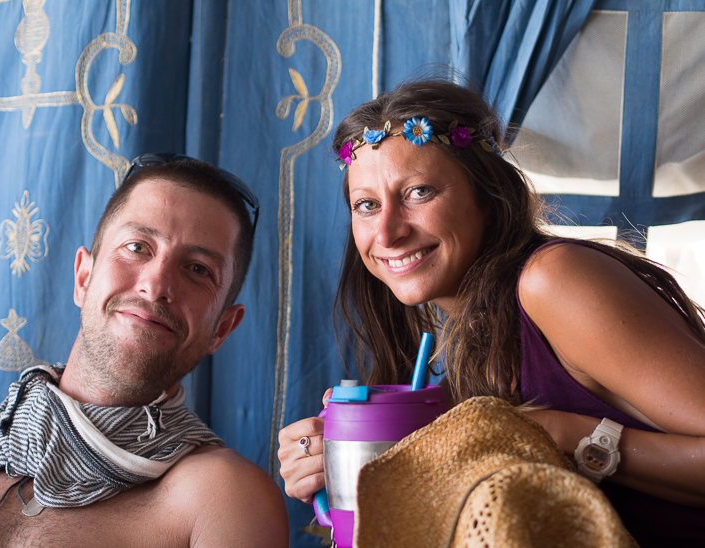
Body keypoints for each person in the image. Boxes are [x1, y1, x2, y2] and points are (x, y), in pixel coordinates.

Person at [277, 80, 705, 546]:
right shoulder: (472, 343)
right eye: (366, 205)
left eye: (419, 192)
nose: (387, 231)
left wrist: (564, 434)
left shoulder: (552, 280)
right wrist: (341, 466)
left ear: (488, 197)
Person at [0, 154, 289, 547]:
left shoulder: (221, 498)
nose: (156, 284)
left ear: (221, 329)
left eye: (197, 269)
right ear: (84, 278)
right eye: (137, 246)